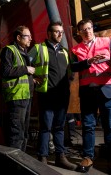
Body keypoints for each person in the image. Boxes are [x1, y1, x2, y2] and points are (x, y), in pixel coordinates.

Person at [70, 19, 111, 173]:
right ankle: (88, 157)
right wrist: (88, 62)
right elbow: (73, 66)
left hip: (108, 88)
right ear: (79, 33)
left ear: (93, 28)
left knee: (110, 125)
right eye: (83, 30)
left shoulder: (107, 41)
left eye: (89, 28)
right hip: (88, 92)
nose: (87, 31)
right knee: (88, 125)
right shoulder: (76, 49)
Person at [28, 21, 77, 170]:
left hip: (62, 95)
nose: (60, 34)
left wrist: (69, 81)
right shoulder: (39, 48)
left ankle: (60, 157)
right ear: (49, 33)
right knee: (45, 127)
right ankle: (42, 157)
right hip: (47, 94)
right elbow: (25, 64)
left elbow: (70, 71)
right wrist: (32, 79)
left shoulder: (64, 51)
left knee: (59, 127)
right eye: (56, 31)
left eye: (61, 32)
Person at [0, 25, 35, 152]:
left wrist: (32, 79)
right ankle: (14, 164)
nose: (31, 39)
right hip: (16, 97)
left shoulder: (23, 52)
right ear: (19, 37)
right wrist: (26, 69)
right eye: (27, 36)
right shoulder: (9, 50)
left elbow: (20, 75)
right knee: (17, 134)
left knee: (24, 133)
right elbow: (5, 71)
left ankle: (21, 161)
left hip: (26, 96)